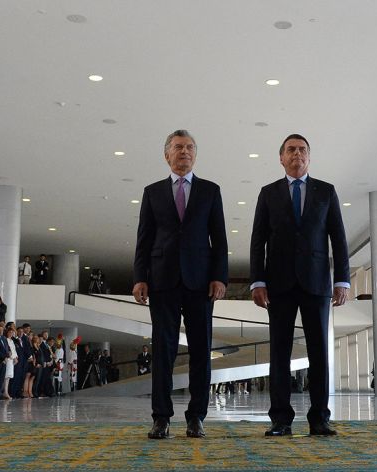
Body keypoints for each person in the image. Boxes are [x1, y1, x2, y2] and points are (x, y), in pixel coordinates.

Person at [249, 133, 349, 437]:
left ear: (309, 157)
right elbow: (257, 241)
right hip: (278, 283)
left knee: (319, 352)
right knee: (279, 352)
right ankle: (281, 419)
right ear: (281, 158)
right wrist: (257, 281)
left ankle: (319, 418)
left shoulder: (326, 192)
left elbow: (339, 239)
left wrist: (342, 280)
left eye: (302, 150)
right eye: (291, 150)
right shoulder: (268, 194)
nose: (297, 154)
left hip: (317, 283)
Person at [132, 129, 228, 440]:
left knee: (201, 351)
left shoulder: (211, 191)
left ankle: (196, 417)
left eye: (188, 147)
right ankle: (161, 418)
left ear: (195, 154)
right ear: (167, 155)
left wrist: (220, 277)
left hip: (201, 283)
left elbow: (220, 239)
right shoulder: (152, 192)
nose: (183, 152)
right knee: (163, 351)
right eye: (177, 147)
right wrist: (139, 277)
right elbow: (144, 239)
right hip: (162, 281)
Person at [3, 326, 18, 400]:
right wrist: (12, 356)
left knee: (8, 377)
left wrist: (16, 357)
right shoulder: (5, 339)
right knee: (6, 376)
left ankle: (6, 391)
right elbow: (8, 350)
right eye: (10, 332)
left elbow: (14, 350)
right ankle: (4, 391)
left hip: (12, 360)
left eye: (12, 332)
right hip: (8, 359)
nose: (11, 333)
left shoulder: (12, 340)